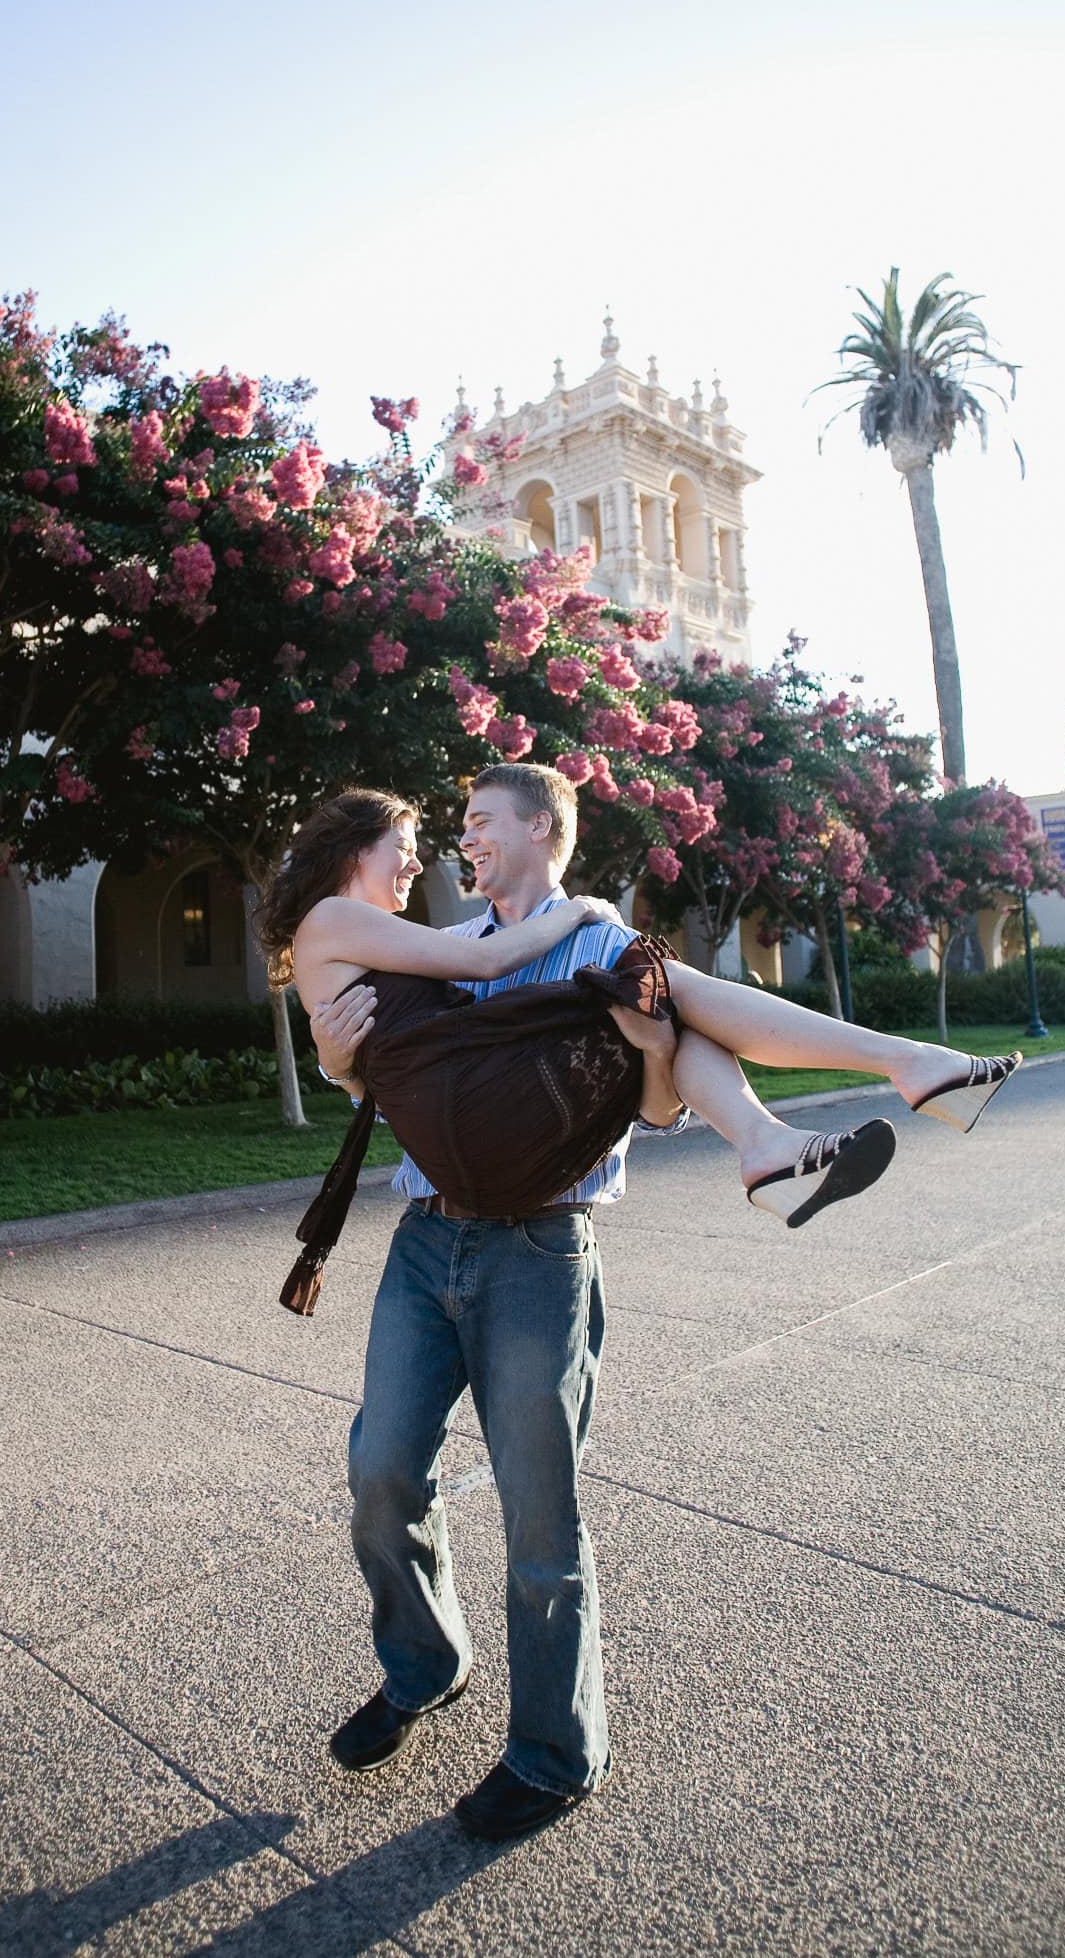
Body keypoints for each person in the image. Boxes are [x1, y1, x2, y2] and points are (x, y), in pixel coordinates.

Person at [255, 765, 1019, 1841]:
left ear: (542, 831)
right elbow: (402, 1074)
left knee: (538, 1513)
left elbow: (656, 1099)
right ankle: (424, 1663)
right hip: (428, 1241)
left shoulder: (595, 937)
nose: (459, 844)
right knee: (380, 1472)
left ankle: (557, 1752)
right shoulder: (438, 942)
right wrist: (340, 1058)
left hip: (540, 1249)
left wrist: (656, 1044)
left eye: (479, 823)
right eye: (455, 826)